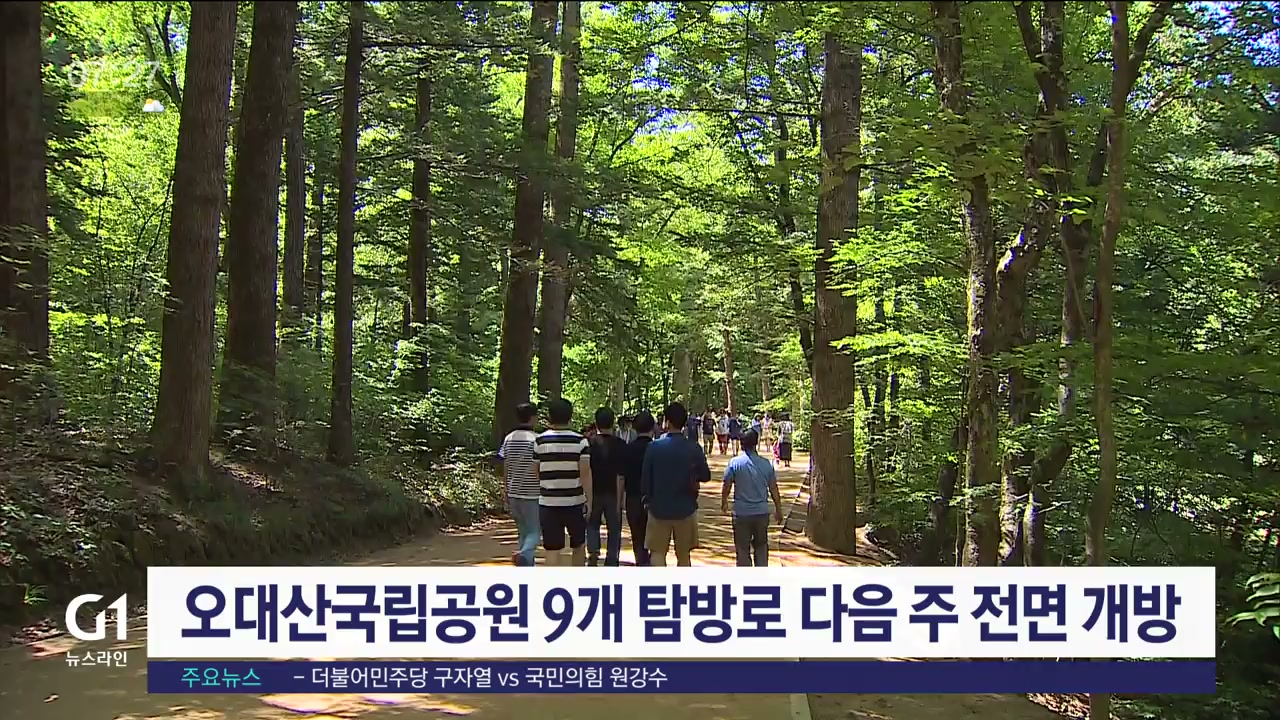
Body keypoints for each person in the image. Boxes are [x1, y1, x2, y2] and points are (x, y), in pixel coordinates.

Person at [642, 402, 711, 566]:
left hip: (658, 508)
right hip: (686, 508)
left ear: (667, 421)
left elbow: (645, 480)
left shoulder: (653, 447)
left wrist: (647, 500)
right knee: (684, 555)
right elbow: (705, 475)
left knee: (657, 552)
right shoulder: (693, 448)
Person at [536, 398, 593, 566]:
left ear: (549, 416)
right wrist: (589, 500)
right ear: (570, 417)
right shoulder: (580, 441)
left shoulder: (539, 441)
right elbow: (585, 473)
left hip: (548, 503)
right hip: (574, 502)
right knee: (579, 545)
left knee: (552, 549)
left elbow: (536, 470)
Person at [721, 429, 784, 566]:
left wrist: (724, 501)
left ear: (742, 444)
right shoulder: (766, 464)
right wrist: (778, 510)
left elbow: (727, 484)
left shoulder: (735, 463)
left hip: (741, 513)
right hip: (761, 512)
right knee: (761, 547)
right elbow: (773, 488)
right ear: (756, 443)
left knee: (742, 549)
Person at [497, 402, 541, 566]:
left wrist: (505, 490)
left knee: (522, 532)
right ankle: (523, 554)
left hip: (514, 491)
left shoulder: (509, 438)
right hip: (533, 493)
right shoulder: (537, 440)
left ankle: (526, 566)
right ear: (533, 418)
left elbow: (506, 465)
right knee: (535, 532)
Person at [586, 407, 627, 566]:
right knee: (614, 527)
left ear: (596, 423)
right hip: (613, 492)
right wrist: (620, 499)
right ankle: (612, 557)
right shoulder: (621, 445)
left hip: (594, 491)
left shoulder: (590, 444)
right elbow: (621, 475)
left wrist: (587, 496)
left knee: (592, 523)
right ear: (613, 422)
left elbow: (587, 471)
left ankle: (593, 552)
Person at [620, 410, 656, 566]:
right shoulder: (657, 448)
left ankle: (642, 564)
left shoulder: (627, 449)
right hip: (654, 499)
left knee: (637, 536)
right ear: (652, 427)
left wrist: (620, 499)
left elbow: (621, 476)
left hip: (632, 497)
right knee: (654, 537)